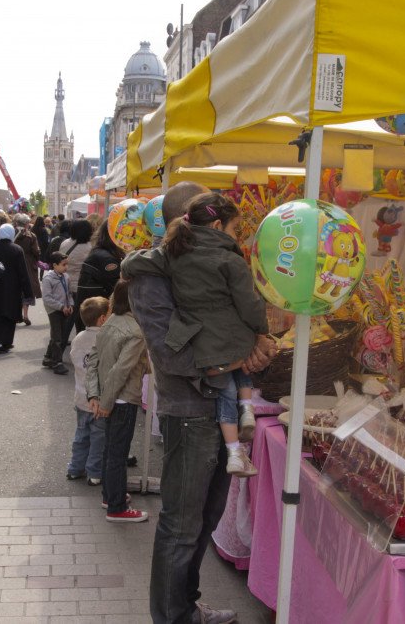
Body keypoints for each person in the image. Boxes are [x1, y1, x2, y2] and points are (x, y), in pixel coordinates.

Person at [121, 181, 275, 623]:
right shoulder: (152, 273)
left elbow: (232, 317)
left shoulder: (205, 261)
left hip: (218, 406)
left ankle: (186, 608)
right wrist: (235, 357)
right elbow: (170, 352)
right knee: (181, 524)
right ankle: (173, 616)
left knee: (205, 519)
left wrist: (254, 344)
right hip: (189, 411)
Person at [156, 192, 267, 476]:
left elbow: (142, 261)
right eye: (234, 229)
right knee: (242, 366)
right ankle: (247, 410)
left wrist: (129, 264)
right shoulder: (230, 260)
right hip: (234, 338)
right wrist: (262, 330)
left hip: (202, 344)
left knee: (225, 390)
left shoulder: (174, 254)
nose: (236, 235)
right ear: (218, 226)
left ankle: (234, 453)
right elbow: (249, 304)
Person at [85, 280, 150, 522]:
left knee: (111, 450)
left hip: (108, 396)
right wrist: (105, 402)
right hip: (121, 399)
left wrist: (95, 396)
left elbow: (93, 361)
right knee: (117, 453)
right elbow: (121, 371)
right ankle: (116, 506)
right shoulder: (135, 331)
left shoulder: (110, 322)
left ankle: (111, 495)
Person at [67, 296, 109, 485]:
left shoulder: (78, 339)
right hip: (98, 399)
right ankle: (94, 472)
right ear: (102, 319)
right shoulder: (105, 338)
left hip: (81, 397)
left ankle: (75, 468)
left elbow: (76, 361)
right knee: (98, 438)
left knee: (81, 435)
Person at [0, 223, 33, 354]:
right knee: (9, 315)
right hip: (12, 288)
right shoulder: (16, 249)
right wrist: (28, 291)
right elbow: (23, 272)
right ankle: (4, 342)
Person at [74, 222, 124, 332]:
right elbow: (118, 289)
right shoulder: (107, 258)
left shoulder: (99, 252)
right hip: (97, 318)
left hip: (90, 315)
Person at [57, 219, 94, 348]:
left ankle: (59, 344)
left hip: (64, 284)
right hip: (80, 286)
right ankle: (77, 343)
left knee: (66, 317)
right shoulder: (89, 248)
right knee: (79, 318)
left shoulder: (65, 243)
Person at [41, 252, 74, 375]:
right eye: (63, 265)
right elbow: (47, 298)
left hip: (64, 309)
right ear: (54, 265)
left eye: (67, 264)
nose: (66, 267)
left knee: (58, 335)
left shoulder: (66, 277)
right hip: (54, 310)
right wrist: (60, 306)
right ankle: (57, 362)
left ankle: (48, 358)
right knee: (57, 338)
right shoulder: (48, 279)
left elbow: (69, 293)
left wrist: (70, 305)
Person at [13, 213, 42, 326]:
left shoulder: (12, 234)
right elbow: (36, 251)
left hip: (15, 263)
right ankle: (25, 315)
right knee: (27, 289)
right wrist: (37, 255)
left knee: (16, 289)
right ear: (26, 224)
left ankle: (17, 315)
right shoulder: (31, 236)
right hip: (28, 263)